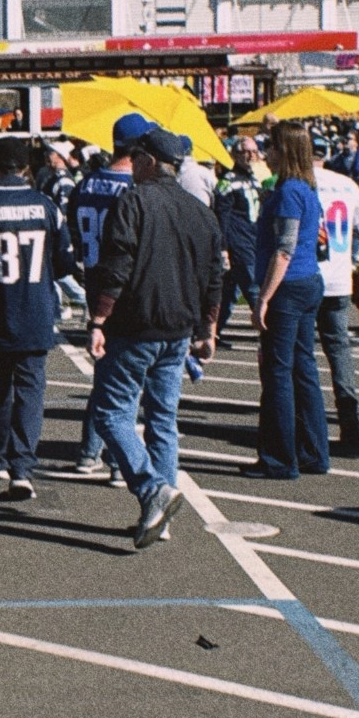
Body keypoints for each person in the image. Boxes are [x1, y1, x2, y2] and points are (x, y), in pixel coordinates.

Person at [89, 124, 222, 548]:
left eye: (136, 159)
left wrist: (99, 318)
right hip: (179, 328)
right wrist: (208, 328)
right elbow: (214, 277)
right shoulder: (200, 210)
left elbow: (118, 264)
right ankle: (159, 514)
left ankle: (152, 490)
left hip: (136, 324)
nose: (131, 165)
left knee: (111, 413)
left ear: (148, 161)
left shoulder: (133, 201)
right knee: (163, 420)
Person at [0, 134, 79, 501]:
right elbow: (65, 262)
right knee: (30, 391)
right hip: (36, 310)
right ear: (26, 167)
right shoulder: (46, 205)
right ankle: (21, 468)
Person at [245, 122, 329, 481]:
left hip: (289, 285)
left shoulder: (290, 192)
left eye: (272, 147)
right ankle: (313, 451)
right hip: (308, 281)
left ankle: (279, 458)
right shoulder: (304, 188)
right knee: (303, 367)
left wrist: (263, 298)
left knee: (278, 372)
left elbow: (284, 249)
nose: (267, 153)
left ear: (286, 151)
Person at [66, 117, 147, 479]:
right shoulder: (132, 188)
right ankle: (117, 458)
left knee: (106, 370)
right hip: (122, 284)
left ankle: (89, 449)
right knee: (124, 378)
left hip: (93, 275)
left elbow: (73, 230)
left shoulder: (85, 183)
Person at [313, 156, 359, 456]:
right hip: (339, 278)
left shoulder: (298, 182)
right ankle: (349, 422)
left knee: (300, 354)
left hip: (308, 276)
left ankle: (306, 424)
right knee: (340, 352)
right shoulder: (346, 184)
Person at [214, 138, 264, 343]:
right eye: (246, 152)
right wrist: (223, 248)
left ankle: (213, 331)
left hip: (254, 240)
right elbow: (221, 217)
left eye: (254, 151)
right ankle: (269, 330)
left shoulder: (256, 179)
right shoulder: (228, 182)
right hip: (238, 244)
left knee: (229, 292)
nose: (251, 156)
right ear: (235, 155)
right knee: (253, 288)